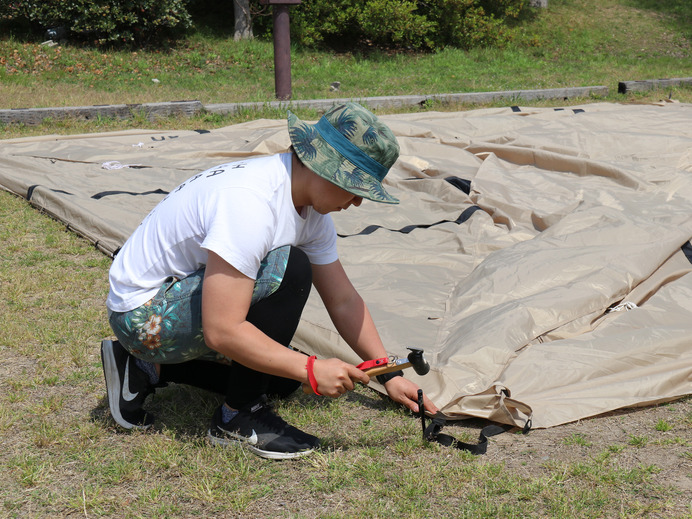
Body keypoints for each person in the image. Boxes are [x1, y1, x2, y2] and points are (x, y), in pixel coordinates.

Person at [101, 102, 438, 460]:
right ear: (324, 169)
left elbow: (343, 300)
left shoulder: (308, 207)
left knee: (281, 380)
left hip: (176, 299)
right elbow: (222, 330)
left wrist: (387, 374)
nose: (356, 202)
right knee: (292, 268)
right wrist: (312, 367)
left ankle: (143, 368)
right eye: (354, 188)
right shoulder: (251, 202)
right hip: (143, 316)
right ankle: (237, 419)